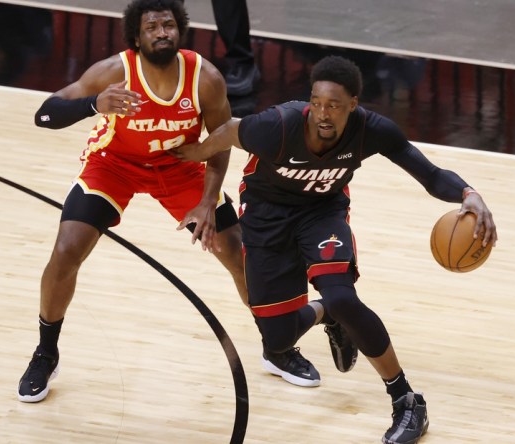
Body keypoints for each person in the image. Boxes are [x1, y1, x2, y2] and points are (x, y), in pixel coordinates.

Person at [173, 55, 498, 443]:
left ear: (353, 105)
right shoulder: (275, 126)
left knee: (344, 296)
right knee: (278, 340)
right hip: (266, 218)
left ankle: (407, 400)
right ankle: (327, 314)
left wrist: (469, 193)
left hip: (321, 213)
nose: (323, 114)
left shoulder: (371, 130)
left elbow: (428, 174)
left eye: (334, 106)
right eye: (317, 103)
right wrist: (197, 162)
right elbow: (227, 131)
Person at [17, 0, 323, 403]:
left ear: (179, 30)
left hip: (181, 165)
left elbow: (222, 139)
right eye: (152, 27)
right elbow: (45, 114)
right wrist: (93, 105)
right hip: (115, 164)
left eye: (168, 25)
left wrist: (208, 201)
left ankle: (277, 347)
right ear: (136, 36)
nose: (162, 32)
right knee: (67, 248)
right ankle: (45, 351)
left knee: (241, 253)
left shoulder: (205, 77)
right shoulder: (114, 72)